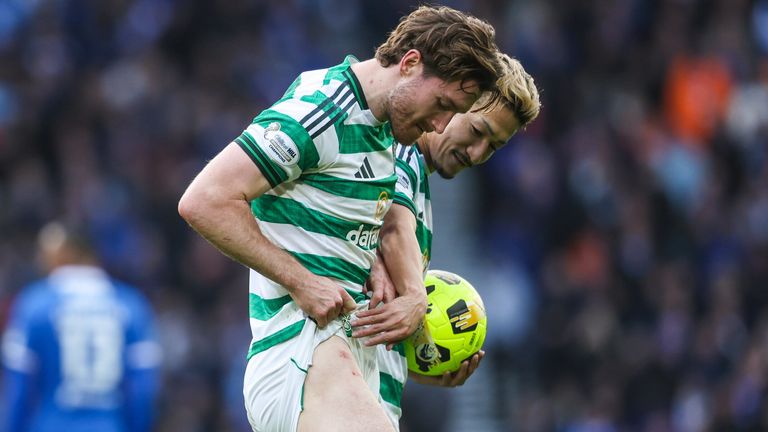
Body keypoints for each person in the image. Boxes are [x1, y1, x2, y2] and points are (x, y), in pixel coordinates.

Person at [177, 5, 502, 432]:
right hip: (302, 354)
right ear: (409, 64)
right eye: (442, 104)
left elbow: (342, 240)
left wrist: (424, 361)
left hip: (347, 363)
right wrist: (301, 281)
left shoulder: (385, 130)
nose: (441, 125)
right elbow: (204, 200)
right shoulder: (325, 108)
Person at [351, 53, 541, 429]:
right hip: (336, 392)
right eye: (477, 131)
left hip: (360, 389)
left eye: (493, 147)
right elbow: (393, 226)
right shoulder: (398, 149)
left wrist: (417, 364)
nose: (477, 153)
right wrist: (416, 299)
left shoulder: (419, 177)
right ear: (457, 101)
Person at [1, 221, 161, 432]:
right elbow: (142, 391)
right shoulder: (131, 305)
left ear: (66, 252)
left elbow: (18, 388)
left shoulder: (35, 305)